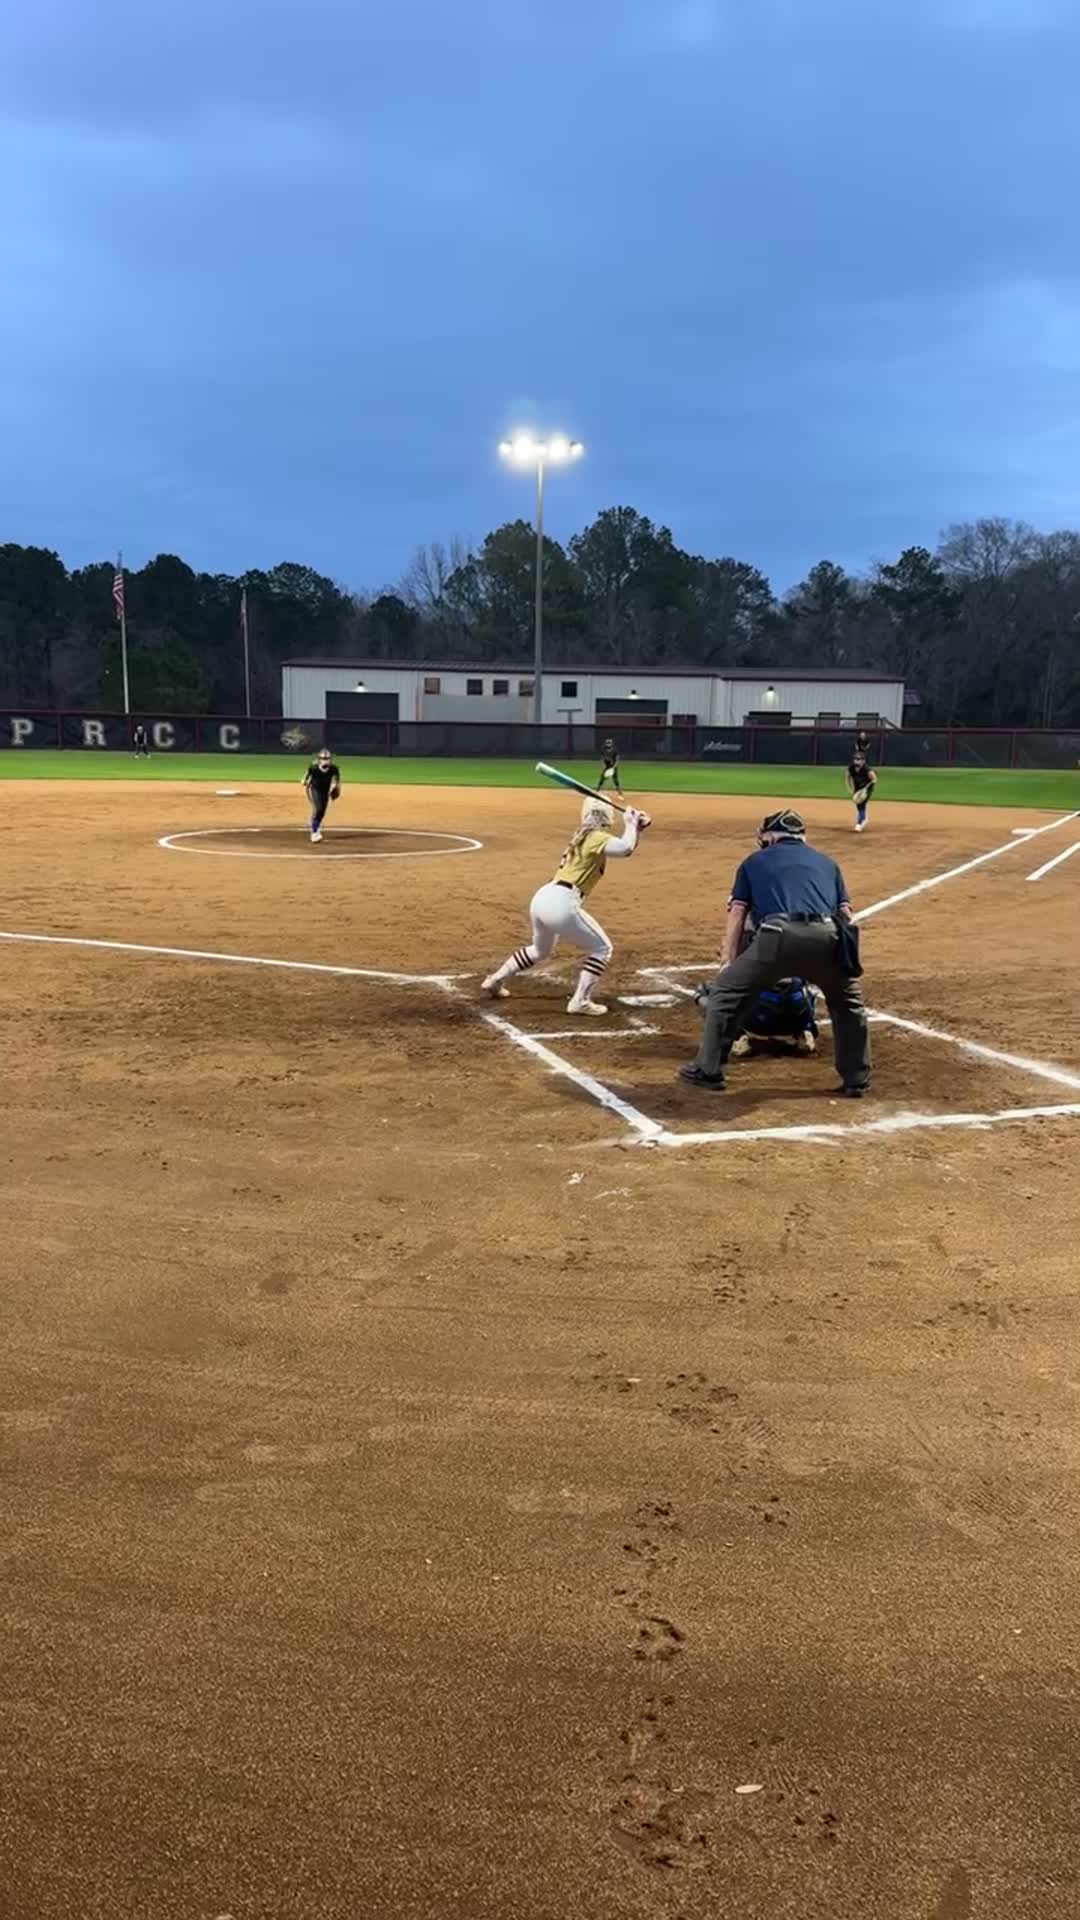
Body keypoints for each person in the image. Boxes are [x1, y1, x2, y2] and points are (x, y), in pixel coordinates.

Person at [678, 808, 870, 1096]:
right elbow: (846, 915)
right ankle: (856, 1079)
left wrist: (729, 961)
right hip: (828, 937)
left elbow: (737, 912)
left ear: (769, 837)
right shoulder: (828, 863)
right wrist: (844, 962)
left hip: (778, 936)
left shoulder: (753, 862)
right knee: (849, 1004)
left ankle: (708, 1070)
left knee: (725, 993)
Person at [482, 798, 651, 1017]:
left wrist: (636, 828)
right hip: (562, 901)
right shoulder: (595, 837)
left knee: (540, 950)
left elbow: (627, 843)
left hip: (543, 897)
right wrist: (630, 823)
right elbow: (625, 848)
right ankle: (580, 1001)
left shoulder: (582, 835)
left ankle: (495, 980)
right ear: (606, 816)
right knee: (602, 949)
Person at [303, 748, 341, 844]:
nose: (325, 760)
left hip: (325, 791)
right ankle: (314, 833)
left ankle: (315, 823)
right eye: (323, 758)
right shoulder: (314, 767)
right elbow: (306, 776)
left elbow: (336, 780)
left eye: (327, 758)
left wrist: (334, 788)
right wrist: (305, 781)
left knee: (322, 812)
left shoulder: (334, 769)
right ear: (319, 759)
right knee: (318, 809)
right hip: (315, 789)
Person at [846, 751, 877, 833]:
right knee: (858, 804)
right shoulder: (851, 768)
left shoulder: (867, 769)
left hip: (867, 789)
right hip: (857, 788)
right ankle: (863, 818)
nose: (856, 761)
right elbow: (848, 777)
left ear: (863, 761)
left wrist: (866, 788)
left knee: (861, 804)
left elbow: (874, 779)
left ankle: (859, 824)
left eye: (859, 759)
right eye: (855, 759)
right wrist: (850, 788)